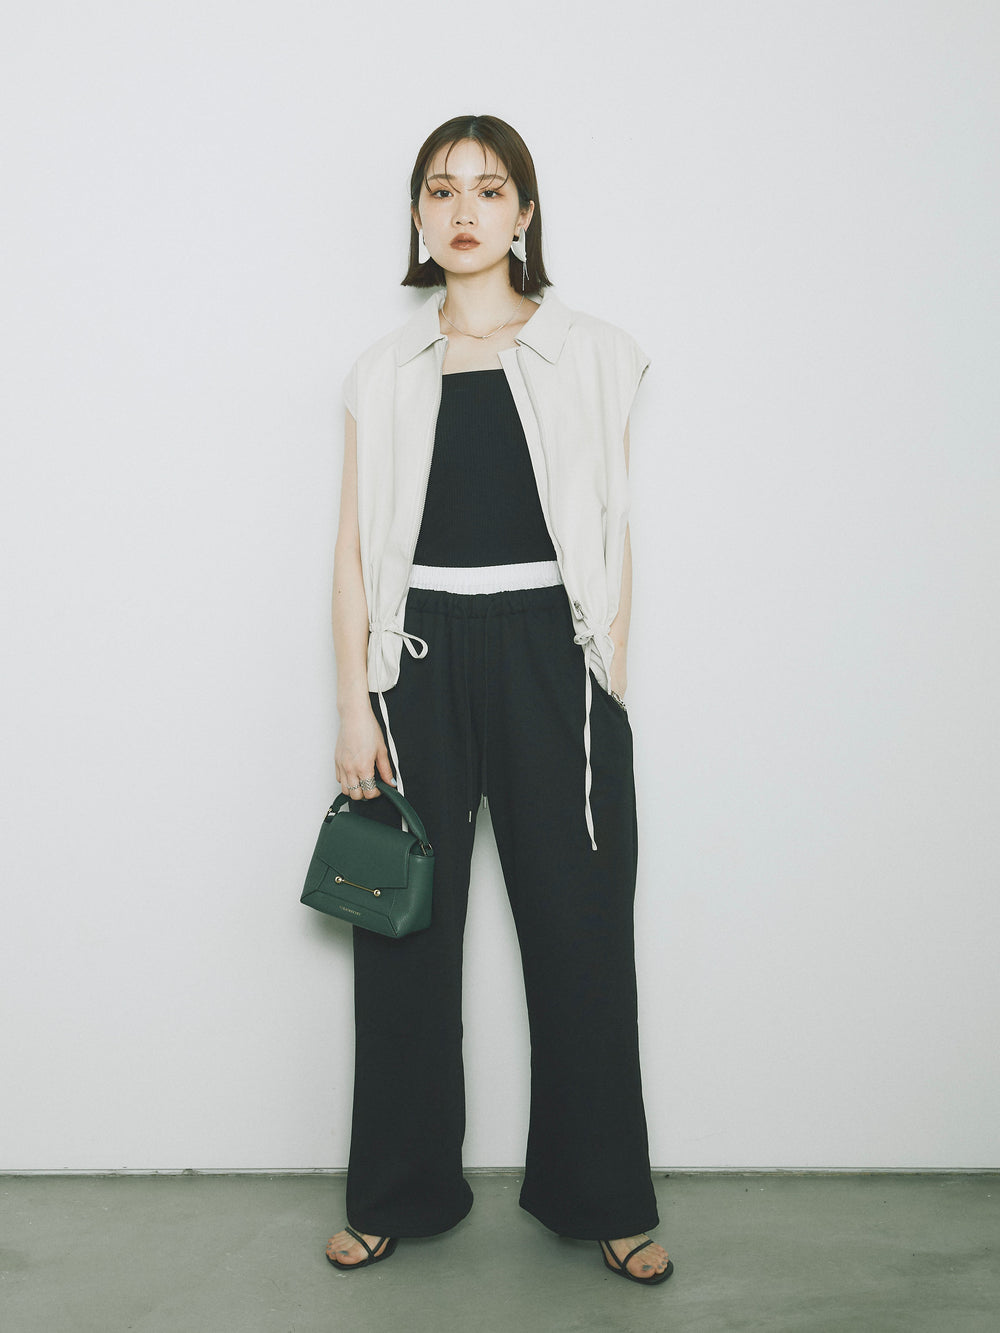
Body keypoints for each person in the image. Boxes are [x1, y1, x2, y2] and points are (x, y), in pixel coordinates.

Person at [323, 114, 672, 1288]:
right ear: (417, 215)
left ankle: (605, 1199)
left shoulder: (594, 352)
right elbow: (351, 552)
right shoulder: (383, 370)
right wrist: (354, 705)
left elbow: (615, 528)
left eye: (487, 188)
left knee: (580, 932)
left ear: (524, 212)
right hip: (416, 658)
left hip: (549, 658)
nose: (463, 209)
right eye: (440, 189)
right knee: (403, 936)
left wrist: (603, 677)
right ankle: (395, 1193)